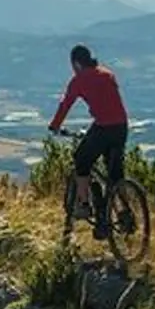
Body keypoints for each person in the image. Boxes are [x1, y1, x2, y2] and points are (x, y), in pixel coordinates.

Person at [48, 44, 129, 233]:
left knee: (81, 160)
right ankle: (123, 211)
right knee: (115, 174)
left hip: (103, 127)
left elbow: (65, 104)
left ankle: (84, 204)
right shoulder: (107, 74)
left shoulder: (79, 80)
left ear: (76, 63)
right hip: (121, 127)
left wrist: (55, 125)